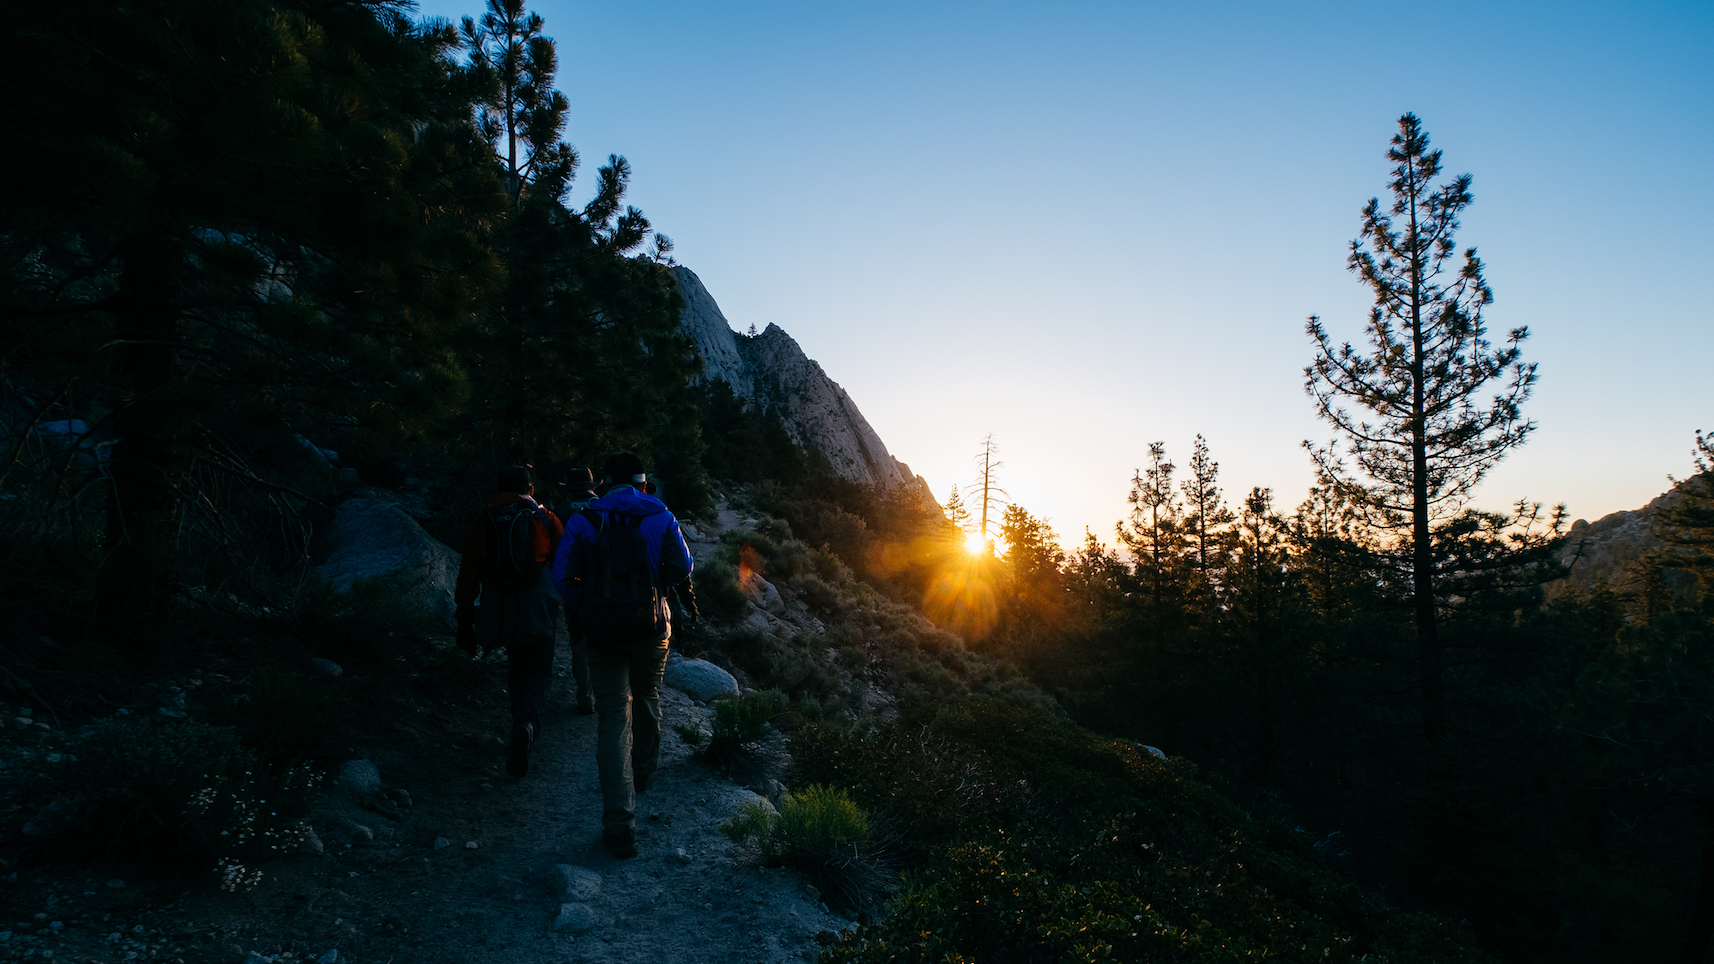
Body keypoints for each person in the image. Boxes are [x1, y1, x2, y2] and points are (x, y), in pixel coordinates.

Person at [552, 452, 697, 859]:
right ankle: (644, 773)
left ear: (604, 485)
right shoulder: (661, 516)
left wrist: (588, 608)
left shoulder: (584, 519)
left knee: (614, 716)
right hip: (650, 628)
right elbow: (683, 566)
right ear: (642, 484)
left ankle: (619, 823)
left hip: (602, 632)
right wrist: (656, 590)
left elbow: (562, 576)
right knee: (648, 694)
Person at [454, 465, 564, 779]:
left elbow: (469, 572)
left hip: (499, 600)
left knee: (516, 662)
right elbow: (565, 558)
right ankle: (527, 723)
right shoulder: (543, 515)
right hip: (537, 599)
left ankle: (520, 721)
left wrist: (465, 619)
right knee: (539, 665)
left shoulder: (485, 519)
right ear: (529, 488)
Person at [557, 467, 599, 714]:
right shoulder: (602, 508)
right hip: (600, 581)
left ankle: (585, 695)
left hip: (572, 582)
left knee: (578, 639)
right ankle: (606, 689)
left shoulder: (559, 512)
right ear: (592, 486)